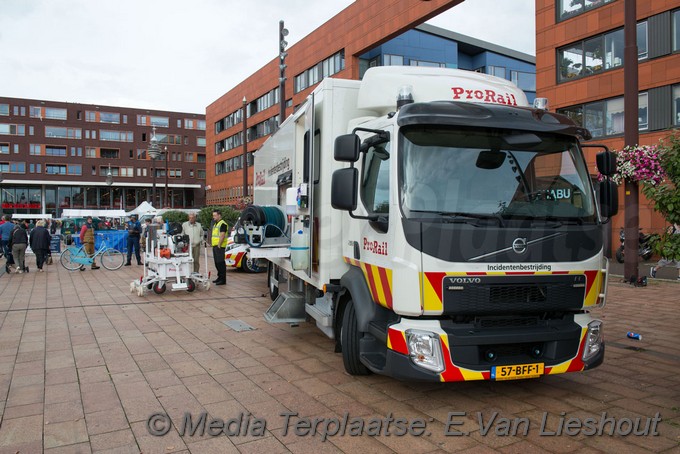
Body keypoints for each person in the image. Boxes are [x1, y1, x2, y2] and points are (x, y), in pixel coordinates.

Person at [210, 210, 228, 285]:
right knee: (217, 263)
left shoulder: (223, 224)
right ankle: (219, 277)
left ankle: (223, 279)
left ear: (219, 215)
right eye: (213, 215)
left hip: (219, 246)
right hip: (215, 246)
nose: (213, 217)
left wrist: (219, 245)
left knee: (220, 263)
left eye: (215, 215)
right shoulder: (216, 224)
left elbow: (222, 235)